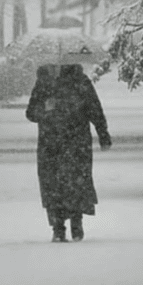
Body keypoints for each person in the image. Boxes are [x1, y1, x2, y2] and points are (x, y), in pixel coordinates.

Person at [26, 63, 111, 242]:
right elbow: (31, 113)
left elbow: (93, 108)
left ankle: (66, 225)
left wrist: (103, 133)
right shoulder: (52, 83)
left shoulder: (69, 82)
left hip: (59, 143)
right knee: (69, 182)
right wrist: (46, 109)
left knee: (59, 183)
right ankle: (66, 225)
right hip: (69, 143)